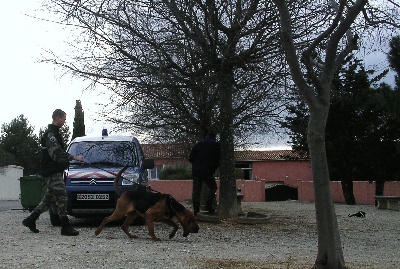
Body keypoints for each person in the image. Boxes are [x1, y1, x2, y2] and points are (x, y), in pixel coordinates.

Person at [22, 109, 84, 236]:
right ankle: (65, 226)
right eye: (63, 119)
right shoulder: (51, 134)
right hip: (53, 171)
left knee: (48, 199)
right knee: (62, 197)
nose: (64, 122)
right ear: (57, 118)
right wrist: (73, 158)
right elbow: (55, 153)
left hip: (54, 170)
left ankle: (30, 219)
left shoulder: (54, 133)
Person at [189, 132, 220, 215]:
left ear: (206, 137)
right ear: (214, 137)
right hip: (208, 171)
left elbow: (190, 158)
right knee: (213, 187)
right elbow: (218, 159)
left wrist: (196, 164)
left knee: (196, 191)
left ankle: (196, 211)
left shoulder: (198, 144)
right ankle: (208, 205)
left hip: (196, 171)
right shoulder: (217, 145)